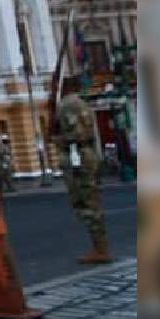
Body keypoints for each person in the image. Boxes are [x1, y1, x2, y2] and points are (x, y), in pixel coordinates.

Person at [53, 90, 113, 264]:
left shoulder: (68, 106)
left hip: (81, 159)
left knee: (87, 203)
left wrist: (60, 140)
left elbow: (78, 134)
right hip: (88, 157)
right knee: (90, 201)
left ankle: (101, 249)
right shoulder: (82, 105)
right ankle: (100, 247)